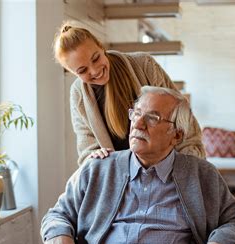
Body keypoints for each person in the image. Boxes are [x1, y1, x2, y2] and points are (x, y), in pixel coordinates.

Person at [37, 86, 235, 244]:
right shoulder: (97, 168)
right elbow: (58, 214)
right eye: (136, 113)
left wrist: (222, 241)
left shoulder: (202, 175)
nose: (138, 124)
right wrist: (58, 234)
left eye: (152, 118)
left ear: (177, 134)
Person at [53, 23, 206, 165]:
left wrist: (188, 167)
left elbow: (184, 120)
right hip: (123, 180)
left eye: (96, 58)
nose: (94, 71)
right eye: (82, 70)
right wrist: (94, 156)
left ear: (101, 46)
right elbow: (87, 148)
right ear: (73, 73)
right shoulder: (78, 93)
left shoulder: (144, 65)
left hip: (168, 170)